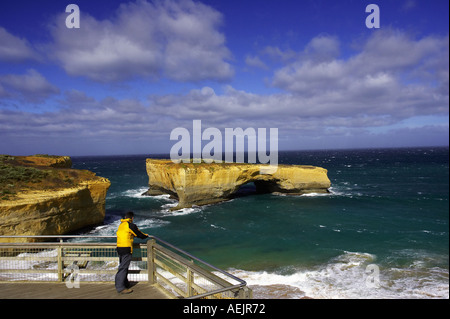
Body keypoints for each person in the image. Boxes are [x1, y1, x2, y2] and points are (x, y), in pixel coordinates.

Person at [115, 211, 149, 294]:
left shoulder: (121, 225)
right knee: (123, 268)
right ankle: (120, 288)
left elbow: (126, 234)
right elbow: (139, 234)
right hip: (126, 249)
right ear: (132, 218)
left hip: (119, 248)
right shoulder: (130, 225)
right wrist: (146, 236)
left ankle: (125, 283)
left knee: (123, 266)